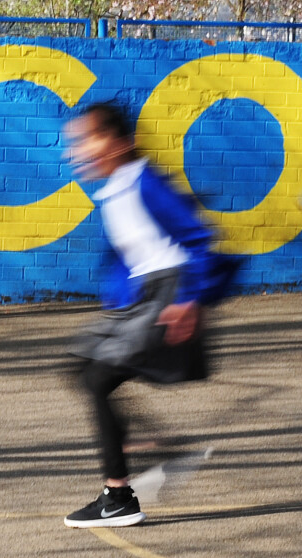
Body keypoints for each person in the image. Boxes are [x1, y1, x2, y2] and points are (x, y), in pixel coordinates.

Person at [58, 102, 235, 529]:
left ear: (122, 143)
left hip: (168, 294)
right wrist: (116, 307)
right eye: (76, 143)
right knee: (80, 368)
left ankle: (118, 496)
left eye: (88, 140)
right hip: (141, 299)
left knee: (98, 379)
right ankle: (157, 452)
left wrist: (189, 299)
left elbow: (200, 238)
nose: (77, 151)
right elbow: (129, 260)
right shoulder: (115, 189)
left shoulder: (145, 182)